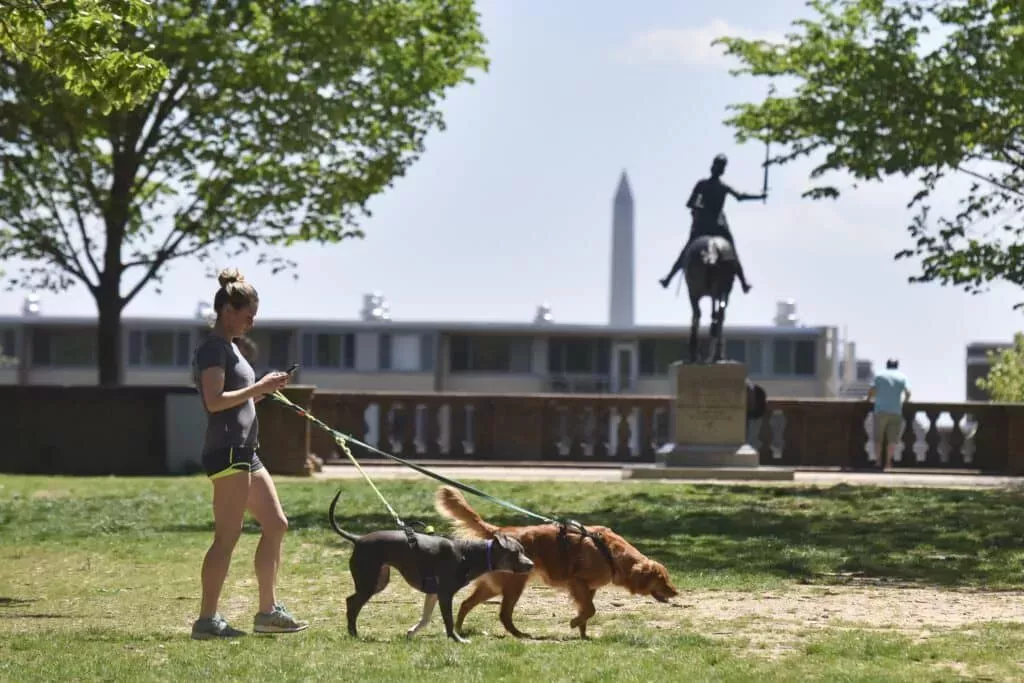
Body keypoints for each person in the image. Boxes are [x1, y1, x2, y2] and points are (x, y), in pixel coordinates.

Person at [190, 268, 309, 640]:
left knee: (276, 524)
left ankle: (267, 612)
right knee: (228, 535)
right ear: (227, 309)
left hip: (245, 450)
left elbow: (237, 400)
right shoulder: (213, 349)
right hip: (226, 451)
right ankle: (207, 620)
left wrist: (265, 390)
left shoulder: (232, 350)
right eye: (247, 315)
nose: (251, 322)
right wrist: (258, 385)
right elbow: (214, 401)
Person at [659, 154, 765, 293]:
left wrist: (698, 209)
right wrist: (760, 196)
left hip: (702, 226)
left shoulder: (703, 184)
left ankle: (668, 278)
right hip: (717, 227)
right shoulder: (721, 186)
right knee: (731, 251)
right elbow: (740, 197)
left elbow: (691, 204)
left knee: (686, 251)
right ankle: (743, 282)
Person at [867, 358, 912, 471]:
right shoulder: (902, 377)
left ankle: (878, 462)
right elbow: (908, 392)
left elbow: (872, 390)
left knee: (878, 438)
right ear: (897, 366)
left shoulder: (880, 375)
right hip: (896, 411)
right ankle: (888, 463)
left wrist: (868, 399)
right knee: (892, 439)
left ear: (886, 365)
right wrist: (905, 401)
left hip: (880, 411)